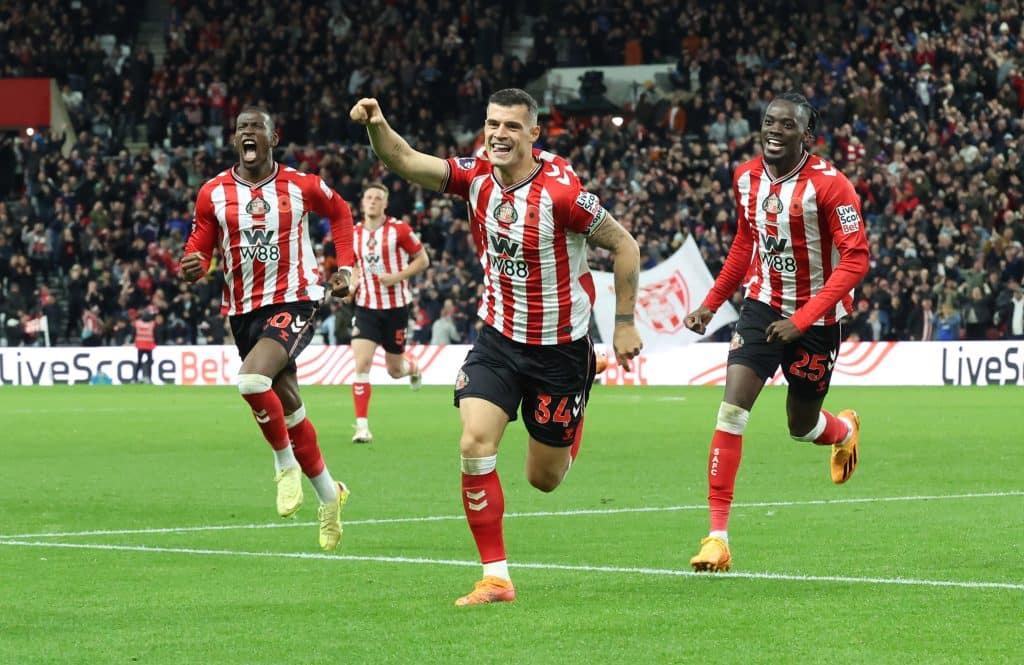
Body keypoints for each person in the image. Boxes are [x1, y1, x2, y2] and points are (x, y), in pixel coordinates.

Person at [350, 88, 643, 605]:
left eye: (511, 126)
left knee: (543, 480)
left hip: (559, 349)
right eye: (492, 125)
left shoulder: (564, 194)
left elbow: (625, 245)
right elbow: (405, 160)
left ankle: (581, 393)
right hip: (498, 340)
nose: (499, 134)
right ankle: (496, 576)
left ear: (534, 133)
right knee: (473, 444)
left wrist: (622, 324)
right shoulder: (475, 177)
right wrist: (377, 123)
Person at [683, 93, 869, 573]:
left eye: (787, 125)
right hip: (762, 307)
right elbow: (746, 240)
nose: (774, 130)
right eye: (769, 122)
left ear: (807, 136)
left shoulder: (831, 187)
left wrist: (803, 319)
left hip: (818, 321)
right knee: (732, 410)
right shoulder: (745, 177)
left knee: (801, 427)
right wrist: (710, 303)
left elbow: (856, 259)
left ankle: (845, 429)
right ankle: (717, 539)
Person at [180, 107, 358, 551]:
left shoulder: (300, 184)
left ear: (273, 136)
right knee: (291, 407)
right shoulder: (213, 193)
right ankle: (329, 496)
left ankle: (283, 466)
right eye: (241, 128)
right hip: (243, 310)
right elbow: (200, 245)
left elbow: (340, 213)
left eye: (255, 127)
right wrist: (193, 265)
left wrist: (346, 269)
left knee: (252, 379)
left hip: (294, 298)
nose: (247, 133)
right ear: (234, 139)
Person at [344, 183, 430, 444]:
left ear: (385, 204)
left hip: (395, 308)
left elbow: (422, 260)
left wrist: (397, 277)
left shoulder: (399, 230)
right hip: (366, 307)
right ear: (362, 203)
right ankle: (362, 427)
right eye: (368, 197)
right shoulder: (353, 233)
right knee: (362, 364)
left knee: (394, 370)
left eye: (377, 198)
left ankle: (412, 367)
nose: (371, 201)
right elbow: (354, 266)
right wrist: (350, 286)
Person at [132, 310, 158, 383]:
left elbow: (134, 333)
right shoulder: (152, 324)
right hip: (149, 346)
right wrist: (156, 342)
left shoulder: (137, 323)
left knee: (139, 362)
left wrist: (133, 341)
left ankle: (135, 378)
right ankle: (148, 378)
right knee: (149, 363)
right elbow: (155, 334)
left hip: (140, 345)